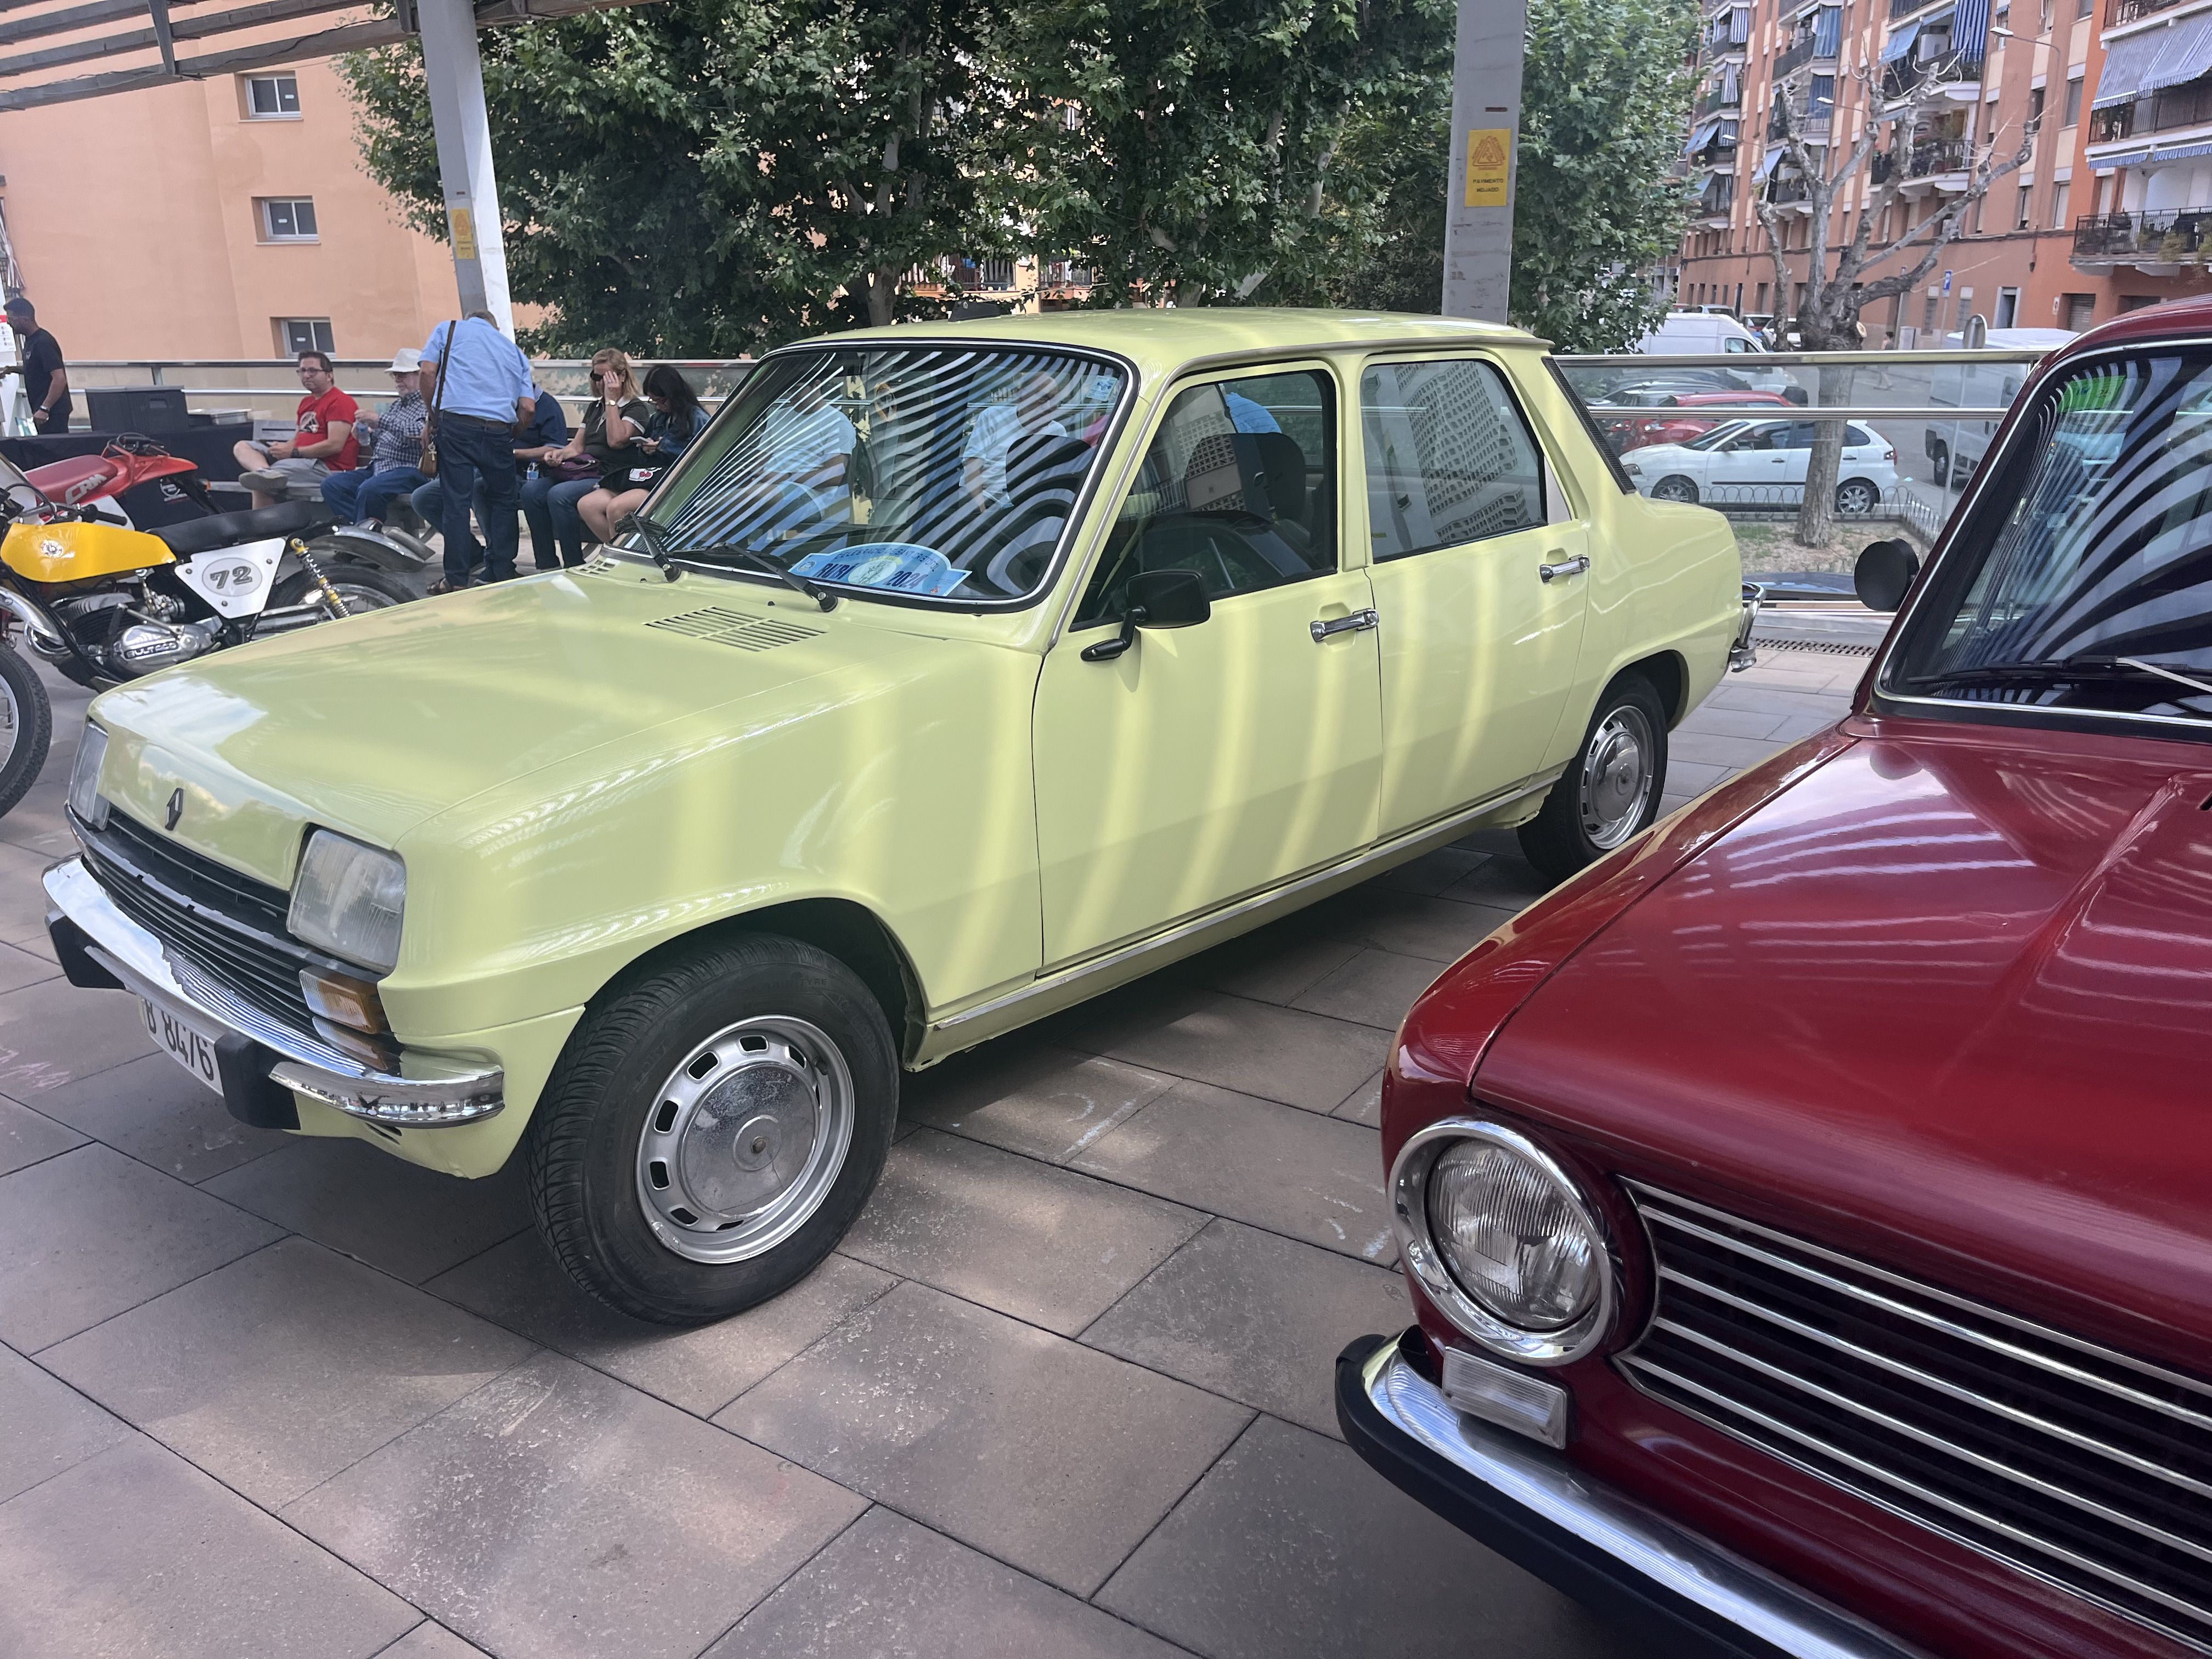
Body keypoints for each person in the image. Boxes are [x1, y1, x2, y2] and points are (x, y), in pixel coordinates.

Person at [417, 312, 536, 590]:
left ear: (469, 319)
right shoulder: (514, 351)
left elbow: (426, 372)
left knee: (456, 504)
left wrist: (432, 415)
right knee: (504, 502)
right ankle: (503, 570)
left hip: (456, 425)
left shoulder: (448, 330)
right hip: (498, 431)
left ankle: (457, 580)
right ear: (495, 328)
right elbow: (529, 408)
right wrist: (512, 434)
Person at [413, 376, 570, 574]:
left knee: (484, 488)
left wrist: (513, 454)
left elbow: (556, 448)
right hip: (478, 466)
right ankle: (473, 553)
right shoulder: (495, 403)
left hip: (522, 472)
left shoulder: (546, 405)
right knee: (423, 498)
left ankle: (498, 562)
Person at [525, 349, 648, 568]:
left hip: (609, 473)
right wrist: (559, 454)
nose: (600, 383)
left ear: (621, 376)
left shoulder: (635, 407)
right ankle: (546, 563)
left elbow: (616, 440)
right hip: (584, 468)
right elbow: (577, 446)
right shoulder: (595, 407)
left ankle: (573, 563)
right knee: (531, 492)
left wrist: (612, 402)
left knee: (559, 495)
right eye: (596, 377)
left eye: (606, 377)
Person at [579, 364, 709, 542]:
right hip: (649, 477)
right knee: (588, 505)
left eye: (661, 401)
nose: (658, 406)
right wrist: (646, 450)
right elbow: (642, 458)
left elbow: (702, 455)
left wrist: (664, 446)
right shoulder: (658, 419)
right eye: (653, 401)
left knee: (617, 508)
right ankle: (621, 550)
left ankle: (626, 557)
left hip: (675, 483)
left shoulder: (697, 418)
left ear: (673, 395)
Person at [233, 349, 358, 509]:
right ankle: (266, 473)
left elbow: (335, 445)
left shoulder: (340, 401)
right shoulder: (307, 402)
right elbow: (299, 436)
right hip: (299, 461)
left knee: (259, 484)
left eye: (313, 371)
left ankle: (264, 529)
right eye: (303, 371)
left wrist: (293, 452)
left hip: (324, 467)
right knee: (243, 446)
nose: (306, 376)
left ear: (329, 375)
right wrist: (285, 447)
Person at [320, 349, 428, 527]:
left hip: (411, 469)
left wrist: (379, 419)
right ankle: (360, 531)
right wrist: (367, 434)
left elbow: (418, 434)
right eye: (396, 376)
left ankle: (364, 538)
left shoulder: (429, 403)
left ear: (421, 375)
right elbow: (384, 440)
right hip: (380, 467)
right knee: (332, 485)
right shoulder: (398, 405)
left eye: (403, 375)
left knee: (370, 489)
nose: (398, 381)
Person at [962, 370, 1065, 504]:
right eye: (1043, 398)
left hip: (1030, 503)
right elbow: (972, 468)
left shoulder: (1057, 431)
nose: (1049, 407)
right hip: (986, 499)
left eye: (1055, 401)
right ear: (1020, 395)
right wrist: (981, 509)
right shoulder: (993, 417)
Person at [4, 297, 69, 435]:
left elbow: (59, 378)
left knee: (55, 451)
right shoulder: (30, 342)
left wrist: (45, 408)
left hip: (52, 412)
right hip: (40, 409)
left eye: (12, 319)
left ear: (25, 320)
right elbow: (37, 369)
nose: (9, 323)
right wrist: (12, 370)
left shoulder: (43, 342)